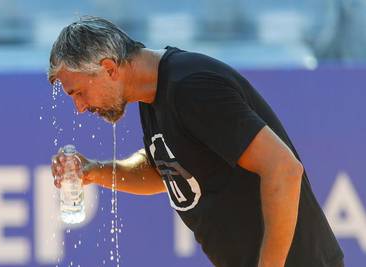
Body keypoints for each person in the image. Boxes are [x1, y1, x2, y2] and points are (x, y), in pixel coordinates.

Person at [48, 16, 344, 267]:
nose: (80, 107)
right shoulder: (154, 95)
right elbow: (166, 171)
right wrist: (93, 170)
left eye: (78, 92)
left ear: (110, 68)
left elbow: (283, 169)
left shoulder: (191, 88)